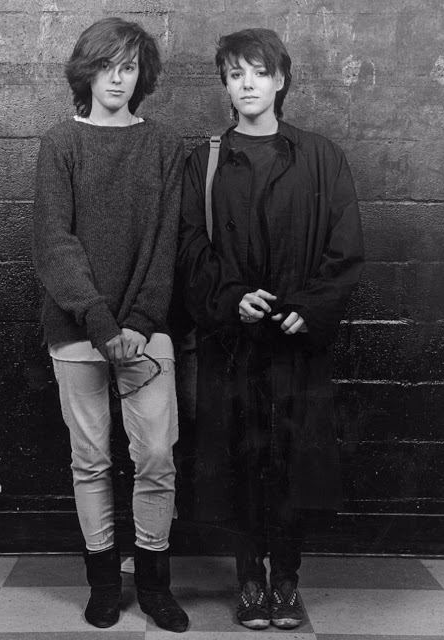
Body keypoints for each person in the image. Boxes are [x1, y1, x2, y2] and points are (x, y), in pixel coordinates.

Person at [176, 28, 364, 631]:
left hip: (296, 341)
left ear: (281, 79)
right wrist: (232, 298)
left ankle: (286, 580)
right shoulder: (204, 161)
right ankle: (249, 582)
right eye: (235, 74)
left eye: (259, 72)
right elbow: (190, 248)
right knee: (239, 461)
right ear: (225, 85)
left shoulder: (321, 156)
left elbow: (345, 246)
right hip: (234, 342)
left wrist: (312, 306)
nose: (248, 84)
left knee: (291, 462)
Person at [32, 17, 188, 634]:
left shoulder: (164, 145)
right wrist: (100, 320)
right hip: (77, 328)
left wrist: (141, 320)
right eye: (106, 66)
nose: (117, 79)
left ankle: (154, 584)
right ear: (86, 72)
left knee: (156, 455)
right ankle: (103, 583)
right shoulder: (60, 143)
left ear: (141, 75)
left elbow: (167, 241)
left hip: (147, 328)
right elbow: (54, 243)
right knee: (92, 459)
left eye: (128, 67)